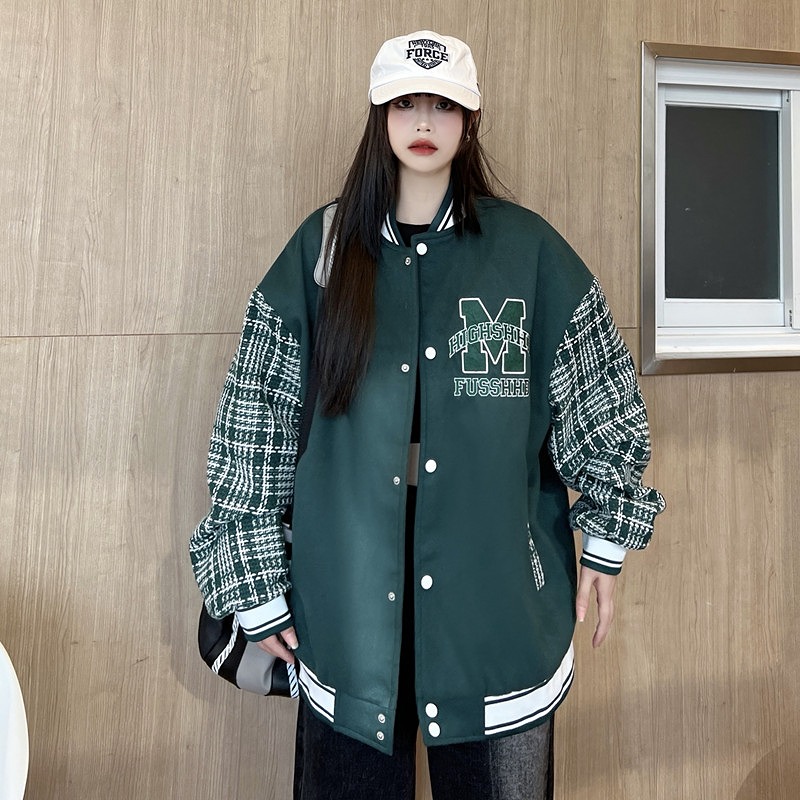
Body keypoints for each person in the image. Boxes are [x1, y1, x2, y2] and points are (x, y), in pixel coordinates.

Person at [190, 30, 665, 800]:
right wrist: (253, 575)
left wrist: (608, 537)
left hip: (496, 601)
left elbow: (598, 393)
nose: (422, 121)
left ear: (469, 121)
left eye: (442, 105)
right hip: (345, 595)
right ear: (378, 117)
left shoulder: (528, 253)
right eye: (404, 103)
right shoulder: (321, 251)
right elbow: (257, 417)